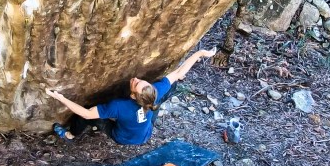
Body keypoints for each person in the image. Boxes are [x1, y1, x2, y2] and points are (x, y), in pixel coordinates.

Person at [45, 48, 217, 145]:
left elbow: (87, 114)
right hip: (145, 133)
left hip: (123, 137)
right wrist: (201, 53)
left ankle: (70, 135)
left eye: (136, 84)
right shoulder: (154, 92)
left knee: (87, 114)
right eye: (141, 81)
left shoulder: (119, 106)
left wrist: (60, 98)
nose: (135, 79)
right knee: (171, 85)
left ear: (133, 96)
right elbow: (179, 73)